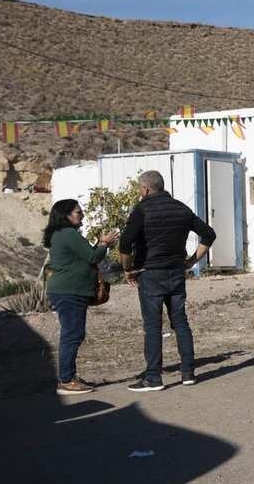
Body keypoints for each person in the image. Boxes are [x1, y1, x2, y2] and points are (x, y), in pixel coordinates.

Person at [118, 169, 217, 392]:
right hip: (175, 272)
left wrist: (128, 270)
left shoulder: (142, 209)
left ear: (144, 189)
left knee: (153, 326)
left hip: (150, 274)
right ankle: (188, 373)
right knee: (180, 322)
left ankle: (153, 377)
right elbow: (209, 234)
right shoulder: (181, 207)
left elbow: (125, 244)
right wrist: (191, 261)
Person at [43, 200, 119, 395]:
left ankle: (69, 377)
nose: (82, 215)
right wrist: (104, 243)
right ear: (66, 215)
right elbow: (94, 257)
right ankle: (67, 380)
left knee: (73, 333)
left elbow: (87, 255)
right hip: (70, 291)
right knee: (72, 335)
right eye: (78, 212)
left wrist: (100, 244)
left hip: (68, 290)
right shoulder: (68, 233)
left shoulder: (62, 235)